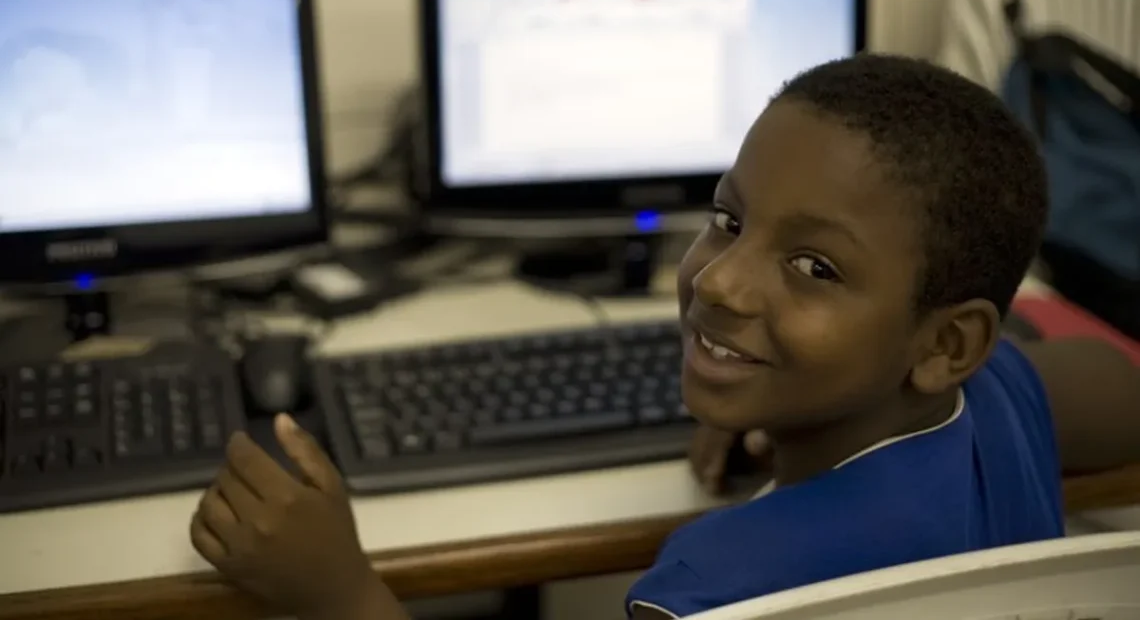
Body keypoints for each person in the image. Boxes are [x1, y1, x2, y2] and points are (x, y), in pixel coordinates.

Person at [188, 55, 1140, 620]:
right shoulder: (994, 399)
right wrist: (802, 394)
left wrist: (339, 591)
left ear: (946, 345)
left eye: (814, 268)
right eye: (729, 219)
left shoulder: (710, 586)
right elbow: (1112, 381)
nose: (719, 280)